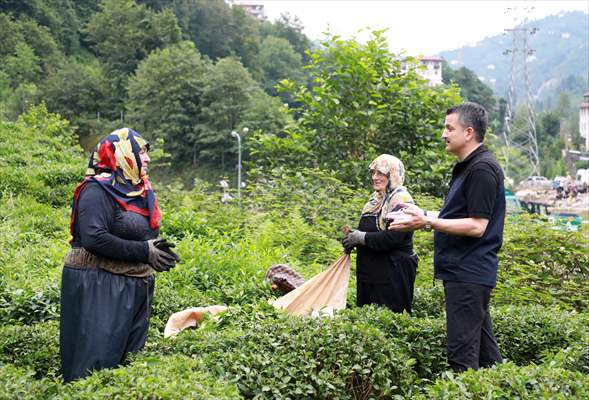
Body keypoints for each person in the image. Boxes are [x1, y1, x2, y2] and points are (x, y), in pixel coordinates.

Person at [387, 102, 504, 372]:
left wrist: (427, 222)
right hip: (464, 273)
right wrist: (424, 213)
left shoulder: (482, 170)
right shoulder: (467, 167)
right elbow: (461, 214)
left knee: (462, 358)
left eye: (449, 128)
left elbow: (477, 226)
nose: (443, 133)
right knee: (488, 360)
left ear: (469, 132)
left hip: (469, 274)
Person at [60, 128, 180, 382]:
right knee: (96, 365)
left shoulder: (142, 192)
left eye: (146, 153)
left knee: (128, 366)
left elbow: (138, 233)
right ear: (123, 154)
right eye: (141, 152)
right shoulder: (96, 190)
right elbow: (94, 238)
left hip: (135, 286)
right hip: (100, 284)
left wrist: (157, 250)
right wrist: (142, 251)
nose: (146, 158)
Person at [342, 154, 418, 314]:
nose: (375, 177)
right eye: (373, 173)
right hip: (371, 274)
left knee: (390, 321)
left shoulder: (401, 200)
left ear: (393, 175)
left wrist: (361, 238)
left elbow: (393, 238)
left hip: (393, 275)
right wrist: (352, 239)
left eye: (380, 173)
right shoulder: (375, 200)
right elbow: (368, 232)